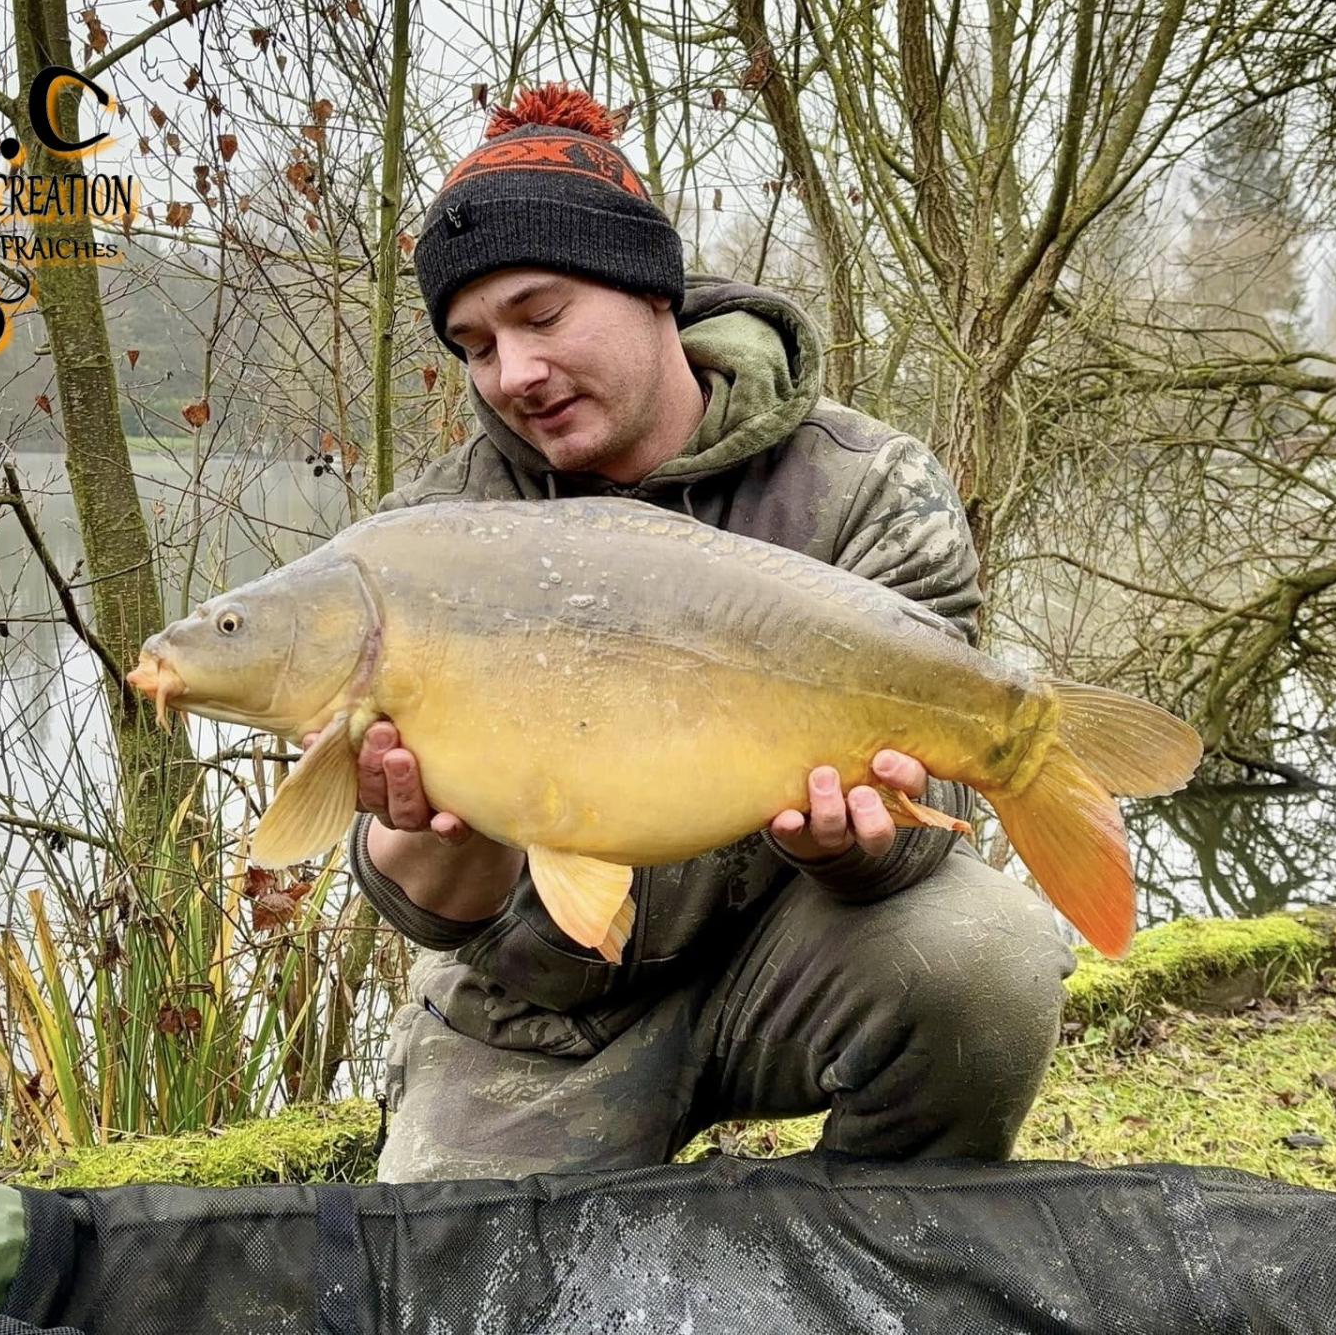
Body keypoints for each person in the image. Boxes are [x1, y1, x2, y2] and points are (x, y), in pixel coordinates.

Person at [330, 85, 1075, 1183]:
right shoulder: (428, 542)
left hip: (795, 958)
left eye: (542, 316)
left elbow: (936, 811)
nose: (513, 373)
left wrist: (859, 843)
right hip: (538, 1017)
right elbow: (422, 907)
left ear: (651, 290)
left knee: (984, 956)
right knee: (460, 1265)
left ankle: (876, 1239)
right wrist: (444, 828)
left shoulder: (864, 487)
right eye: (475, 345)